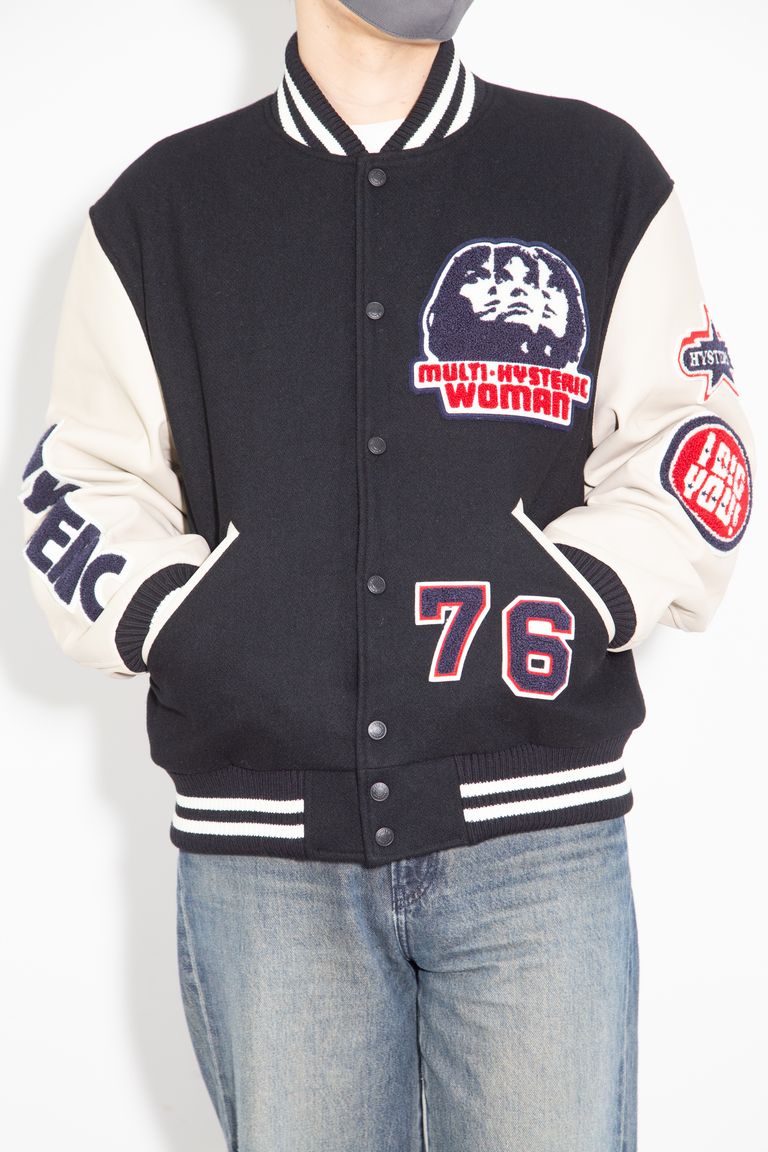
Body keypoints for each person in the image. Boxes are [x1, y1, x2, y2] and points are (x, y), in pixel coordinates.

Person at [17, 1, 755, 1149]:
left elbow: (693, 448)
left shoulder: (591, 173)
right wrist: (190, 620)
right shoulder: (164, 208)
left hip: (535, 852)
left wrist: (586, 593)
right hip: (266, 862)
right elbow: (78, 478)